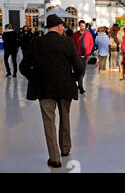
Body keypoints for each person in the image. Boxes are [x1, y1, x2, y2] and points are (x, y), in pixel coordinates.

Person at [19, 14, 84, 168]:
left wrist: (34, 78)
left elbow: (23, 67)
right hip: (65, 87)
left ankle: (54, 158)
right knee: (65, 117)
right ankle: (66, 149)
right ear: (59, 26)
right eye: (63, 26)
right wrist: (72, 78)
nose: (63, 29)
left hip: (44, 88)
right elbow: (79, 67)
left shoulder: (36, 42)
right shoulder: (67, 42)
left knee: (49, 122)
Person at [72, 20, 94, 94]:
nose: (82, 27)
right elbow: (72, 44)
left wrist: (89, 51)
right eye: (81, 26)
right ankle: (81, 87)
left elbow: (91, 43)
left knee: (83, 71)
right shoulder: (75, 35)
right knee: (80, 71)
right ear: (79, 26)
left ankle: (79, 83)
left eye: (84, 26)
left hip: (86, 55)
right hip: (77, 56)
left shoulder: (88, 34)